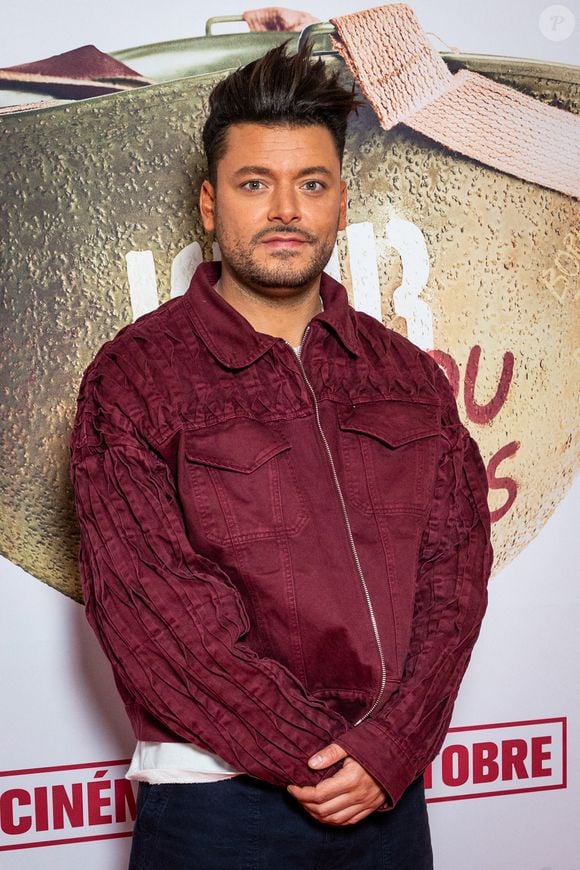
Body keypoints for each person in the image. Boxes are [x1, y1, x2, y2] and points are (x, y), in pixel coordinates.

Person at [70, 41, 492, 870]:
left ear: (341, 203)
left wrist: (390, 747)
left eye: (311, 184)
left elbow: (455, 576)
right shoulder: (135, 376)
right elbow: (152, 609)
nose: (285, 209)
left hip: (387, 800)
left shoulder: (403, 376)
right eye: (254, 184)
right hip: (217, 808)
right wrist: (325, 759)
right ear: (208, 204)